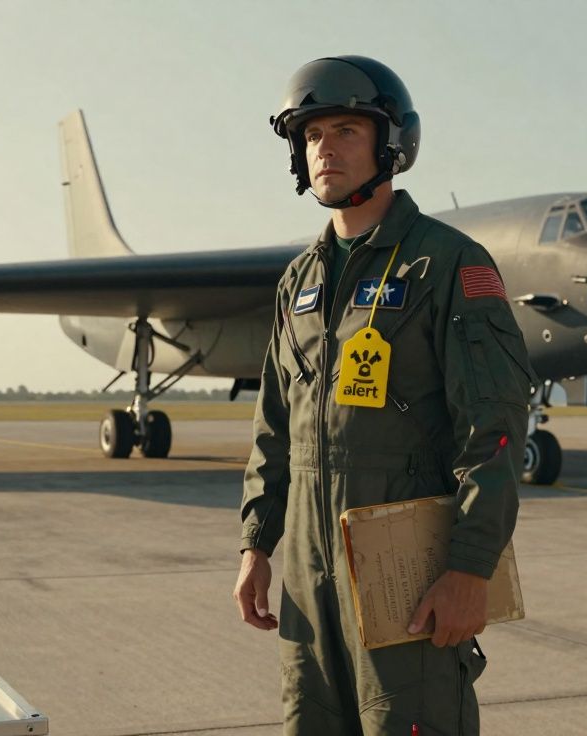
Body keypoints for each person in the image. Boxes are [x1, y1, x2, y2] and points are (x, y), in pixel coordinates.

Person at [233, 56, 534, 736]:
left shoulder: (447, 264)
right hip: (307, 578)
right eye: (312, 135)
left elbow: (493, 430)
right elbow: (274, 427)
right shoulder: (298, 281)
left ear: (392, 144)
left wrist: (470, 569)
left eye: (345, 130)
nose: (325, 149)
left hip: (407, 573)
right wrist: (256, 544)